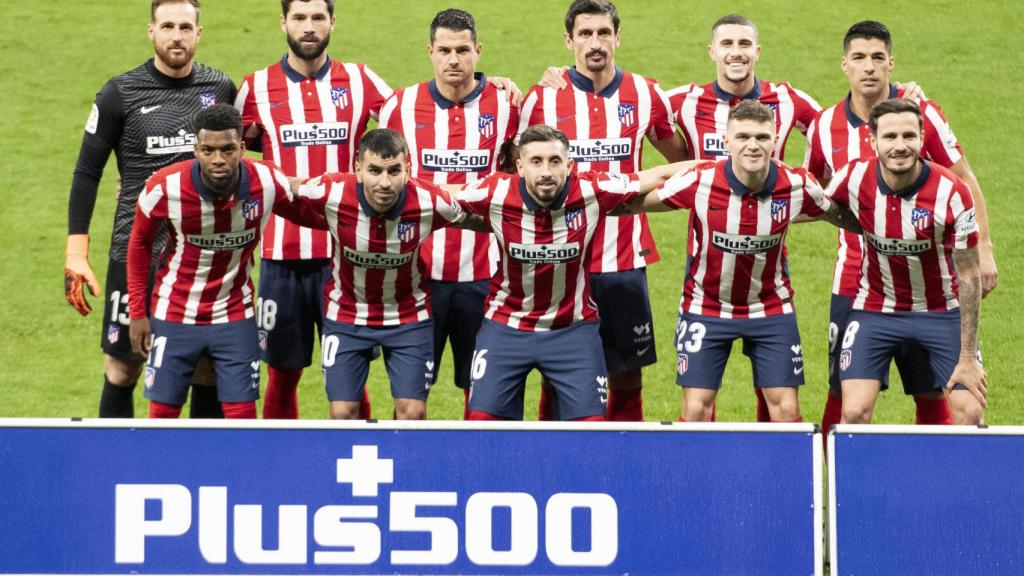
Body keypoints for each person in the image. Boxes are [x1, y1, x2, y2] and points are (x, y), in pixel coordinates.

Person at [806, 20, 998, 432]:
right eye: (859, 58)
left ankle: (932, 466)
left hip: (928, 276)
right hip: (856, 277)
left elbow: (964, 180)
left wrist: (984, 248)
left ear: (891, 63)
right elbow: (817, 193)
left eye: (878, 58)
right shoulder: (824, 125)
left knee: (930, 388)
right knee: (842, 387)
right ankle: (831, 469)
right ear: (844, 64)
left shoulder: (921, 113)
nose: (869, 67)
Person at [619, 101, 859, 422]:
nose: (752, 145)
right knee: (696, 409)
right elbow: (637, 203)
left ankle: (784, 459)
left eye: (762, 137)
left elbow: (836, 213)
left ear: (775, 141)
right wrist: (587, 203)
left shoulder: (798, 185)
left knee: (787, 410)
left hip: (771, 307)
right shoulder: (699, 181)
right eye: (743, 137)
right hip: (706, 306)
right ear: (727, 141)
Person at [64, 0, 234, 418]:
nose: (177, 36)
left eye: (185, 27)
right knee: (123, 367)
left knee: (205, 369)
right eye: (168, 26)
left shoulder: (220, 89)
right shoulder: (119, 93)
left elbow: (240, 156)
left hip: (202, 256)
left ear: (199, 34)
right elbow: (87, 171)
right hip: (135, 251)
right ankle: (114, 457)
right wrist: (76, 253)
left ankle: (197, 459)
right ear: (151, 31)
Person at [517, 0, 685, 421]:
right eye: (585, 34)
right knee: (556, 373)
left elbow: (679, 159)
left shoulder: (645, 93)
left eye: (604, 33)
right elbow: (515, 171)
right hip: (559, 258)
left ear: (618, 37)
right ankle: (558, 453)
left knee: (626, 373)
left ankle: (624, 452)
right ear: (568, 40)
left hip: (622, 258)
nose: (595, 43)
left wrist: (642, 201)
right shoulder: (543, 98)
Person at [457, 125, 690, 421]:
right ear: (520, 167)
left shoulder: (592, 189)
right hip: (506, 328)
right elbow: (438, 195)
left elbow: (659, 175)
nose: (546, 171)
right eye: (536, 161)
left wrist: (727, 168)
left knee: (590, 427)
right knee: (483, 423)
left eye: (554, 161)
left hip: (572, 330)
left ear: (569, 166)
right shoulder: (495, 191)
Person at [234, 0, 392, 419]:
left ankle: (359, 454)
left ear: (332, 22)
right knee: (282, 372)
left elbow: (408, 119)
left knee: (350, 373)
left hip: (347, 256)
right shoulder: (256, 87)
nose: (309, 27)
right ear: (283, 22)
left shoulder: (360, 80)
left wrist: (490, 83)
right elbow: (226, 156)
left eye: (318, 18)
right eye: (299, 18)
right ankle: (281, 456)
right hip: (281, 255)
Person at [665, 14, 822, 422]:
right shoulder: (684, 100)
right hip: (707, 272)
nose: (736, 53)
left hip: (768, 269)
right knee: (698, 404)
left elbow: (836, 127)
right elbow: (631, 105)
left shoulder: (788, 100)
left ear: (758, 51)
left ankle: (773, 462)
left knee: (778, 400)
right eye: (727, 44)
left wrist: (799, 197)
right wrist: (559, 78)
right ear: (712, 51)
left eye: (744, 44)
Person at [126, 104, 320, 419]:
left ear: (242, 148)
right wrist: (137, 313)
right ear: (196, 150)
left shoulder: (267, 181)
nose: (218, 159)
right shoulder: (164, 188)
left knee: (242, 416)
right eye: (208, 150)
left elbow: (310, 214)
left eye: (227, 150)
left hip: (235, 314)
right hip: (174, 312)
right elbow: (139, 244)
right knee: (162, 416)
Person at [378, 8, 518, 418]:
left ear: (478, 51)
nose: (453, 59)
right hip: (419, 276)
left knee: (483, 399)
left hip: (486, 274)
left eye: (462, 50)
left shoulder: (507, 105)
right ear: (430, 52)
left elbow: (519, 171)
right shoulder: (400, 107)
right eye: (444, 51)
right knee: (409, 402)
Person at [288, 129, 471, 420]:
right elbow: (286, 187)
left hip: (409, 317)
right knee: (342, 413)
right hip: (346, 314)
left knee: (413, 412)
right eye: (374, 170)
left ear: (408, 170)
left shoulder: (431, 201)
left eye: (394, 171)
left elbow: (479, 215)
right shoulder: (331, 191)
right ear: (358, 170)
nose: (384, 182)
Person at [827, 98, 986, 425]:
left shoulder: (952, 192)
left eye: (908, 136)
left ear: (922, 138)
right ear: (873, 140)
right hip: (874, 308)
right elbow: (820, 206)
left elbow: (970, 274)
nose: (899, 146)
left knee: (970, 412)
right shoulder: (853, 176)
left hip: (941, 310)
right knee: (854, 411)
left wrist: (969, 357)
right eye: (889, 137)